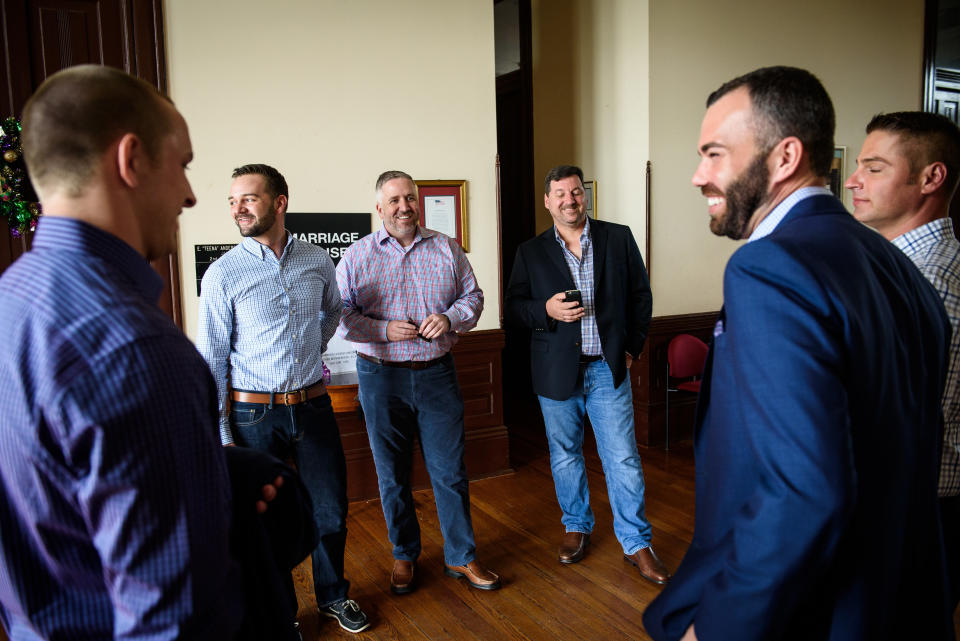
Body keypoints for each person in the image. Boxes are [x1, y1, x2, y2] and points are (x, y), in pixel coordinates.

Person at [643, 66, 954, 641]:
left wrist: (715, 627)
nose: (697, 176)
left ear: (784, 158)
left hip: (810, 612)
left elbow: (804, 490)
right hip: (898, 604)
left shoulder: (768, 267)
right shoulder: (901, 270)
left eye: (714, 154)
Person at [0, 65, 309, 640]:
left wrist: (211, 473)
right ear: (132, 159)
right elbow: (173, 623)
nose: (190, 195)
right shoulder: (136, 351)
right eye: (184, 164)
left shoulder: (10, 300)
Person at [196, 164, 369, 634]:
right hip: (252, 414)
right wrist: (222, 432)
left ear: (279, 202)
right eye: (233, 200)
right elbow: (210, 359)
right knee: (266, 522)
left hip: (313, 407)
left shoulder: (315, 260)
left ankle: (334, 596)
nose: (238, 208)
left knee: (331, 508)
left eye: (248, 198)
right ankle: (283, 611)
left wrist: (313, 346)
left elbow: (333, 310)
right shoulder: (222, 274)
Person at [336, 170, 498, 594]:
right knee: (392, 474)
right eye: (394, 201)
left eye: (410, 198)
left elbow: (474, 297)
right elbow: (341, 315)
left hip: (436, 375)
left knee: (450, 472)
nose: (404, 206)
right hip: (380, 377)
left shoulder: (447, 249)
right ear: (379, 208)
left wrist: (451, 318)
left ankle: (461, 557)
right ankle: (404, 554)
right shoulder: (356, 256)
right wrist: (382, 331)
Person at [504, 165, 667, 583]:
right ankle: (576, 527)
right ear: (547, 201)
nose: (569, 201)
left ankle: (637, 543)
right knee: (564, 456)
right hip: (555, 372)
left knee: (624, 458)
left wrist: (632, 348)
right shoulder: (531, 251)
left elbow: (640, 296)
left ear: (585, 195)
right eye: (560, 194)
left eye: (575, 192)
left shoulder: (618, 237)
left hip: (607, 370)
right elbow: (515, 309)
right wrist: (546, 309)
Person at [845, 111, 960, 610]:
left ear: (931, 178)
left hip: (915, 511)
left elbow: (901, 426)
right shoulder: (896, 270)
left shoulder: (929, 284)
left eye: (874, 167)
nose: (853, 179)